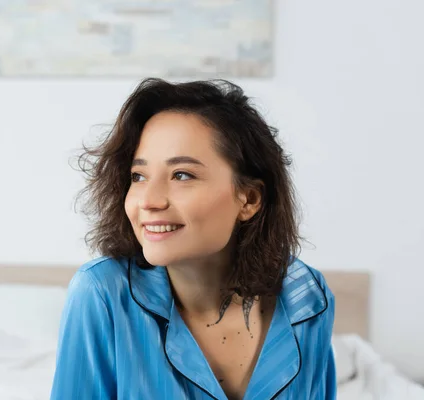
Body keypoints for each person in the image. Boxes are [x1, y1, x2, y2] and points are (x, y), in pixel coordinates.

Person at [50, 78, 336, 400]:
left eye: (182, 175)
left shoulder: (307, 297)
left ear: (250, 199)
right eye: (138, 176)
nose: (149, 200)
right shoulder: (102, 293)